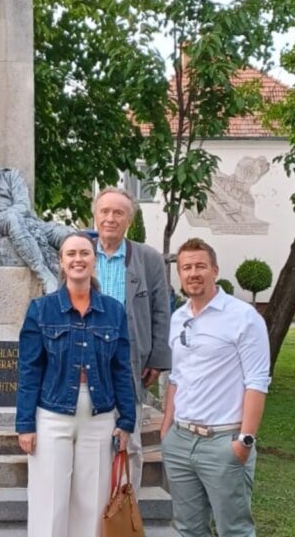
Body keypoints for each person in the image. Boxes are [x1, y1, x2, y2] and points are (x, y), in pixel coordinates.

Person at [16, 231, 136, 537]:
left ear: (94, 261)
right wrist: (25, 424)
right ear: (61, 262)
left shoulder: (113, 311)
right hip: (52, 415)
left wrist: (126, 420)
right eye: (71, 254)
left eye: (84, 253)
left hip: (100, 416)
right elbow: (29, 370)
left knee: (92, 504)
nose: (78, 259)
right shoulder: (41, 310)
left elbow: (122, 369)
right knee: (49, 502)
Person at [160, 238, 271, 537]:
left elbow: (257, 381)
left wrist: (245, 440)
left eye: (200, 266)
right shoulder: (178, 318)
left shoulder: (243, 317)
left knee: (234, 530)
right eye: (186, 268)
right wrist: (167, 429)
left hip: (224, 441)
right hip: (180, 440)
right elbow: (176, 377)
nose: (193, 273)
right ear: (179, 274)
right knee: (187, 528)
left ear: (215, 270)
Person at [93, 186, 171, 487]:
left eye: (118, 212)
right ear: (95, 215)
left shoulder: (148, 258)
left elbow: (161, 310)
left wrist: (158, 359)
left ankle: (124, 508)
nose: (110, 218)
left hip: (129, 363)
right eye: (104, 211)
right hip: (86, 362)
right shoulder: (81, 251)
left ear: (129, 219)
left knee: (129, 442)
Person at [0, 146, 71, 293]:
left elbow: (23, 207)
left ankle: (88, 281)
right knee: (12, 219)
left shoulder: (11, 176)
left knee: (68, 235)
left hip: (28, 223)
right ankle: (44, 275)